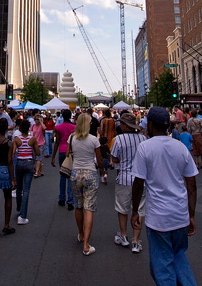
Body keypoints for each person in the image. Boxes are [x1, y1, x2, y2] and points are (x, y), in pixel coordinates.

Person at [131, 107, 198, 286]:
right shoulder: (181, 148)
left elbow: (138, 183)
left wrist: (135, 210)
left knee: (162, 266)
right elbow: (191, 185)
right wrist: (191, 214)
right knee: (178, 256)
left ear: (150, 124)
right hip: (180, 215)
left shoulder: (145, 148)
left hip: (158, 218)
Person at [70, 112, 107, 256]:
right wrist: (103, 170)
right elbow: (99, 158)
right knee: (89, 208)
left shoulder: (72, 138)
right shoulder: (93, 140)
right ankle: (86, 244)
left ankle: (80, 233)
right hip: (90, 172)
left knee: (78, 206)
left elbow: (69, 153)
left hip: (75, 173)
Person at [112, 112, 147, 253]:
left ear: (126, 126)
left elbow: (114, 158)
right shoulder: (143, 139)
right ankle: (136, 241)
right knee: (139, 209)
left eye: (122, 123)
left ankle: (123, 235)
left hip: (124, 177)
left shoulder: (119, 139)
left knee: (122, 208)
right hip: (141, 179)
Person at [13, 118, 41, 225]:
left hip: (19, 162)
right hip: (29, 163)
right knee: (26, 190)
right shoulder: (32, 139)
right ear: (28, 128)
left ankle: (19, 207)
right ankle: (23, 215)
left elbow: (13, 152)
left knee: (19, 188)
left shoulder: (17, 139)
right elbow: (38, 153)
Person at [51, 108, 77, 210]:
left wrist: (53, 157)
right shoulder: (74, 128)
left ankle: (62, 198)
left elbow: (57, 142)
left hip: (62, 151)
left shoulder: (58, 127)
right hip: (71, 151)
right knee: (71, 176)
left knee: (62, 175)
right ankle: (70, 201)